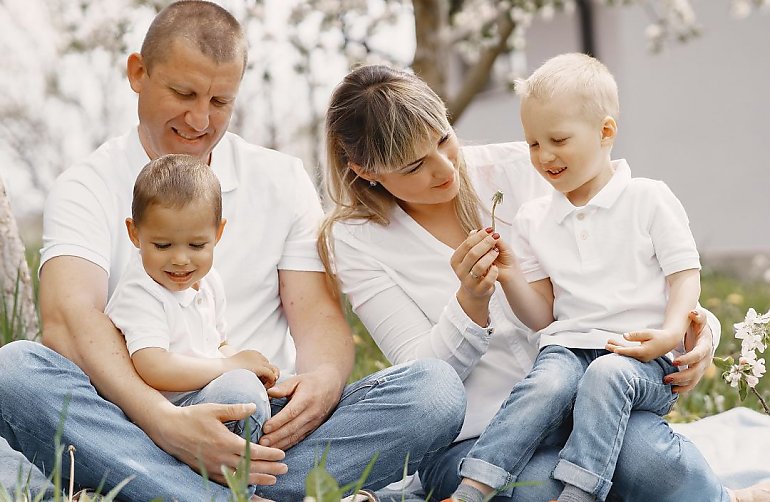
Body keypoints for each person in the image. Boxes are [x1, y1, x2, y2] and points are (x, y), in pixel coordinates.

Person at [0, 2, 466, 501]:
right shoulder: (87, 184)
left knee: (434, 392)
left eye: (220, 100)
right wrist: (165, 424)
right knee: (16, 370)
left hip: (268, 429)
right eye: (183, 93)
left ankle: (178, 491)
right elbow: (68, 322)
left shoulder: (280, 178)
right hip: (136, 422)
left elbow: (318, 319)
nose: (200, 118)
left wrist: (323, 383)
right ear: (138, 73)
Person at [320, 64, 768, 502]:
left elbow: (631, 266)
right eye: (415, 165)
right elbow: (424, 385)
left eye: (443, 139)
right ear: (365, 170)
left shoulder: (528, 165)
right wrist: (470, 305)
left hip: (590, 398)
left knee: (648, 462)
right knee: (542, 488)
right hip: (476, 436)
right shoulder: (357, 240)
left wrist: (697, 328)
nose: (444, 169)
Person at [445, 53, 700, 502]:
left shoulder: (648, 198)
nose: (544, 156)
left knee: (606, 375)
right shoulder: (533, 217)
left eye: (558, 139)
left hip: (641, 356)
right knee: (545, 382)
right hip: (567, 347)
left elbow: (684, 275)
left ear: (605, 132)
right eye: (532, 144)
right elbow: (541, 316)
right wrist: (509, 276)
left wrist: (670, 332)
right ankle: (473, 488)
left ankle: (580, 494)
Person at [106, 154, 277, 456]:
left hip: (204, 391)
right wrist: (231, 366)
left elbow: (217, 343)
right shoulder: (141, 292)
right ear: (135, 234)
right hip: (167, 415)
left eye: (197, 246)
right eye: (162, 245)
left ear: (218, 233)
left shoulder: (209, 282)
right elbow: (153, 366)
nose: (181, 259)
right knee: (240, 393)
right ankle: (241, 481)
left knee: (282, 390)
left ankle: (272, 461)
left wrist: (246, 361)